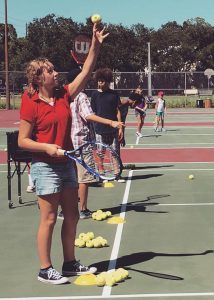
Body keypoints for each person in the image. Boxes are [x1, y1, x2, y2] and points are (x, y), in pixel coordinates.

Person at [18, 24, 109, 285]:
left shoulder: (63, 95)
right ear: (38, 78)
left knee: (72, 215)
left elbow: (87, 70)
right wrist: (46, 147)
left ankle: (69, 264)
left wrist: (96, 44)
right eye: (49, 71)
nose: (55, 72)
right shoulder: (30, 101)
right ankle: (45, 269)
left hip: (66, 163)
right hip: (45, 166)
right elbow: (23, 140)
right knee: (48, 218)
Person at [60, 68, 124, 220]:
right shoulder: (80, 96)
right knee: (84, 179)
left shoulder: (62, 95)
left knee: (70, 179)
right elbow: (89, 115)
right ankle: (82, 210)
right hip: (81, 143)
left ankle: (65, 210)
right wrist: (111, 122)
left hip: (66, 143)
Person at [90, 68, 125, 182]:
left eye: (103, 81)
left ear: (108, 81)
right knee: (100, 153)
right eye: (99, 80)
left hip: (113, 128)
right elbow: (93, 113)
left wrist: (120, 128)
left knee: (115, 152)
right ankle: (102, 174)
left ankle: (117, 174)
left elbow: (117, 111)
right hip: (99, 129)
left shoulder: (114, 94)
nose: (100, 83)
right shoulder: (94, 95)